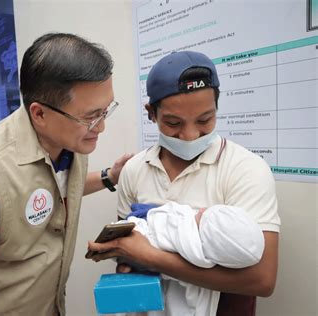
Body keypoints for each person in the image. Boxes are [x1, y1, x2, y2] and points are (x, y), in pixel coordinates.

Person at [0, 32, 131, 316]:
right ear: (39, 114)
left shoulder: (68, 141)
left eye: (105, 111)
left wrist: (110, 176)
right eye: (90, 117)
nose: (101, 127)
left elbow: (55, 186)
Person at [87, 51, 280, 316]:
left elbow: (262, 280)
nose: (189, 135)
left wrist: (151, 257)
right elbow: (127, 247)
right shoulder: (134, 170)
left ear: (216, 108)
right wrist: (126, 259)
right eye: (173, 123)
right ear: (151, 113)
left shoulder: (245, 169)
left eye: (204, 120)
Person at [122, 201, 265, 315]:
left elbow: (150, 234)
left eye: (204, 215)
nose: (201, 210)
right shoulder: (133, 171)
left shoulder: (187, 238)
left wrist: (141, 247)